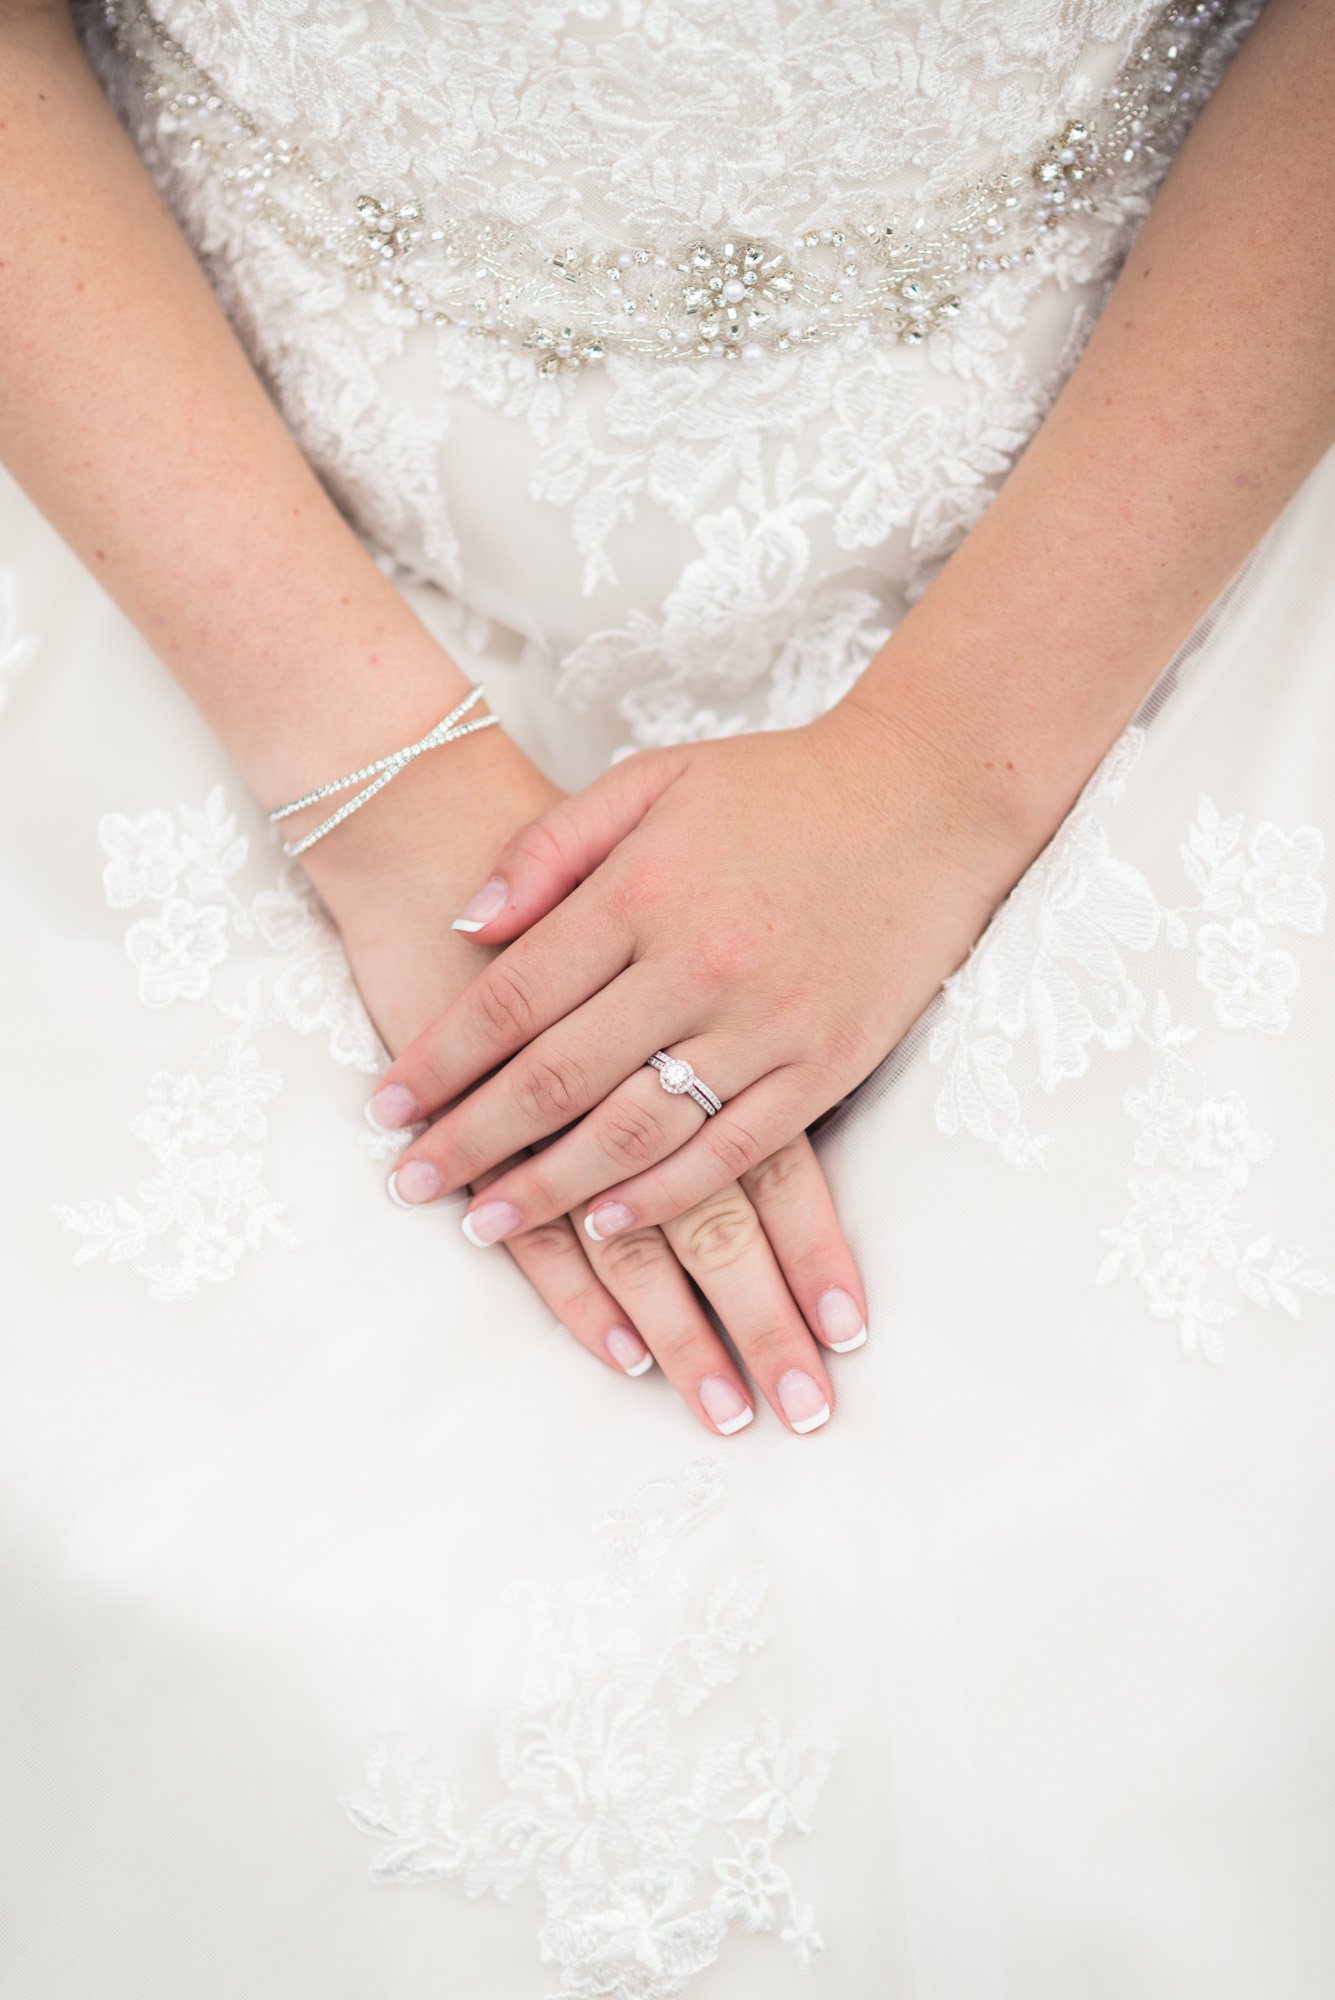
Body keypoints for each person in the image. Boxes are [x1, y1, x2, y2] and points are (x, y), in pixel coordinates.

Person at [1, 0, 1333, 1992]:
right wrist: (365, 781)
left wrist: (950, 764)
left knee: (1167, 1580)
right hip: (174, 471)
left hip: (1138, 492)